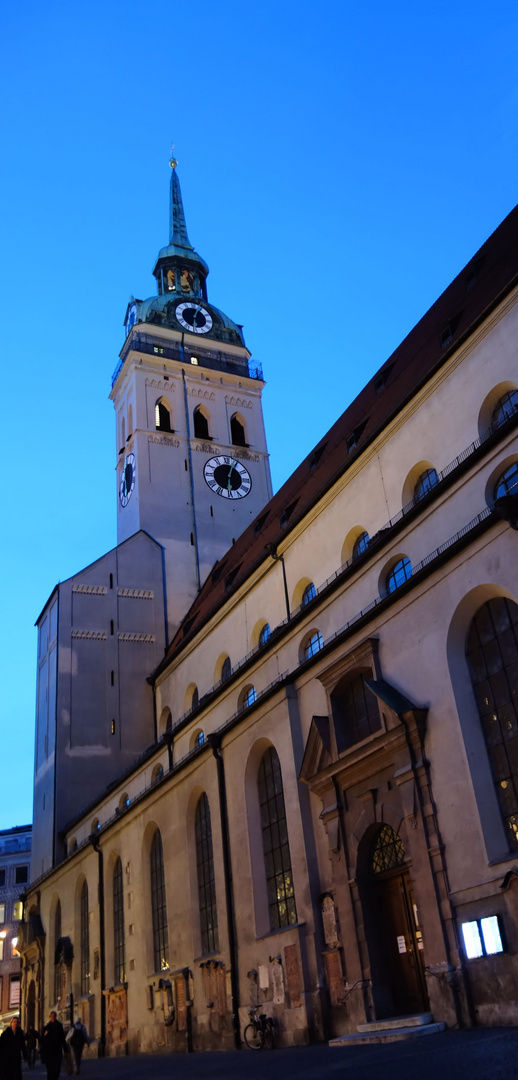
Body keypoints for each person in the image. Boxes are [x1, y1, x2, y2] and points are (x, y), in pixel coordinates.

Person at [40, 1011, 68, 1080]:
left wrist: (65, 1049)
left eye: (54, 1016)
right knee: (50, 1070)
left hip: (57, 1050)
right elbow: (41, 1040)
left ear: (55, 1017)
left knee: (57, 1069)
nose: (53, 1018)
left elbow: (62, 1038)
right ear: (49, 1017)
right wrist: (44, 1035)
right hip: (49, 1052)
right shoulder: (46, 1027)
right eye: (51, 1016)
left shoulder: (59, 1026)